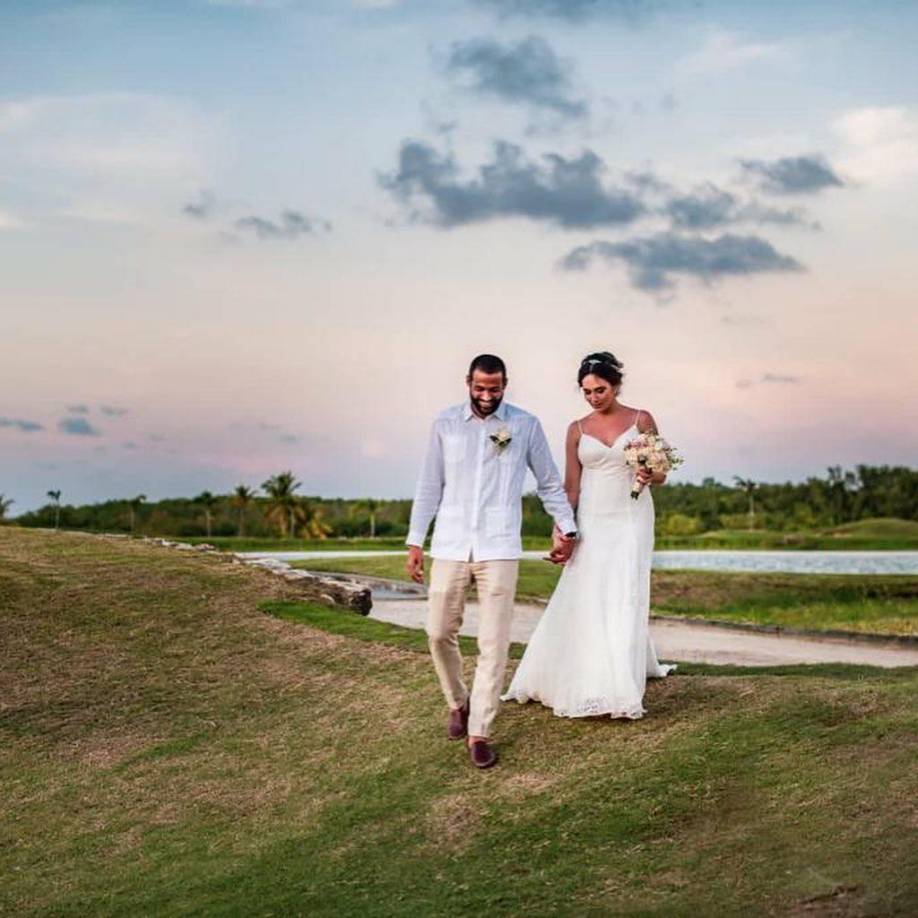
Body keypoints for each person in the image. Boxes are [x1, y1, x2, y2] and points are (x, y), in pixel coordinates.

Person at [406, 354, 577, 769]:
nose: (487, 395)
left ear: (505, 384)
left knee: (494, 643)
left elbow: (549, 483)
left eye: (494, 388)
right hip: (450, 544)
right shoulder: (445, 424)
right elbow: (429, 485)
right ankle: (458, 702)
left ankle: (479, 731)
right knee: (437, 632)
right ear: (468, 382)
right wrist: (415, 541)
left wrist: (568, 527)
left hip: (499, 546)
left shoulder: (525, 425)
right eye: (480, 388)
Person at [502, 351, 676, 720]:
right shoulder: (576, 430)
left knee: (625, 588)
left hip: (632, 516)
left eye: (600, 390)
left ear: (616, 386)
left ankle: (620, 682)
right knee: (587, 589)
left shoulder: (641, 419)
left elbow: (661, 472)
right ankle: (586, 673)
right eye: (587, 392)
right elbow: (571, 488)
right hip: (593, 518)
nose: (594, 397)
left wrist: (650, 474)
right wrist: (562, 529)